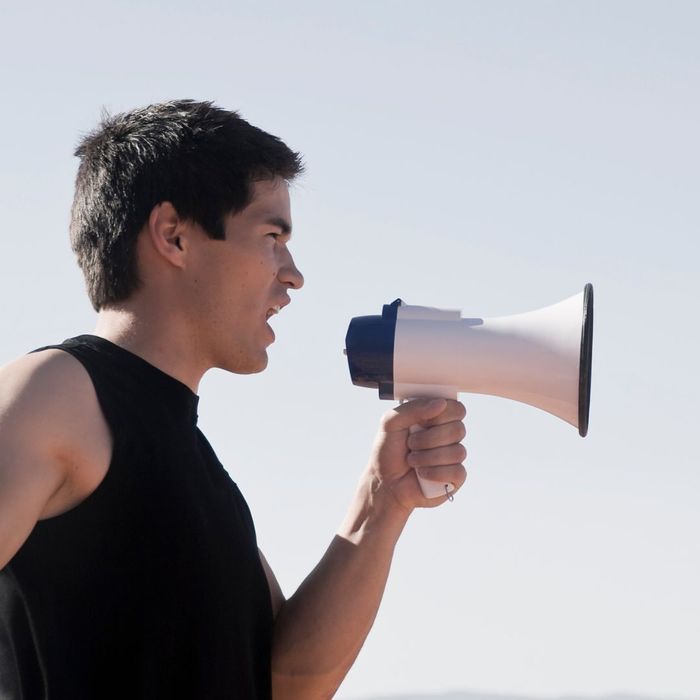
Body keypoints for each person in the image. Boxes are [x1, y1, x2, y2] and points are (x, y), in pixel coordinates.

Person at [0, 100, 467, 700]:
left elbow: (289, 681)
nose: (293, 274)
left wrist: (383, 503)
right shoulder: (52, 392)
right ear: (173, 235)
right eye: (272, 236)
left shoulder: (191, 458)